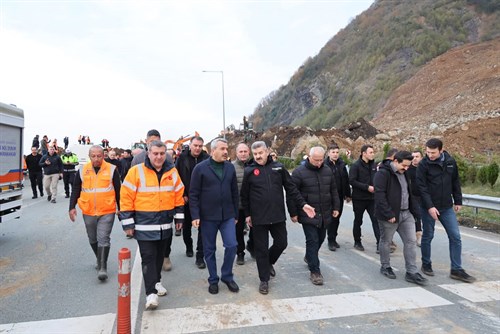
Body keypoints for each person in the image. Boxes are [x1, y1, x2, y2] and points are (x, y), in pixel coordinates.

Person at [241, 141, 315, 295]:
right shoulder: (249, 171)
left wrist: (303, 205)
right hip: (258, 218)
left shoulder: (279, 168)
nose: (258, 156)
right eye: (255, 154)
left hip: (277, 216)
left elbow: (291, 189)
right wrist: (247, 214)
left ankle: (268, 263)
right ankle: (264, 280)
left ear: (267, 151)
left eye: (261, 153)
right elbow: (244, 196)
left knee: (282, 243)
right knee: (261, 250)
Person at [119, 140, 184, 310]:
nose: (159, 157)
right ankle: (150, 294)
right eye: (155, 153)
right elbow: (126, 198)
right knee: (148, 258)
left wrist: (179, 219)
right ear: (148, 153)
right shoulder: (135, 172)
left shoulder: (172, 171)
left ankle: (156, 282)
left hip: (164, 226)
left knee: (158, 257)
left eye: (162, 153)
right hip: (144, 225)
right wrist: (128, 223)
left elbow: (178, 196)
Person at [417, 138, 475, 283]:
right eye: (428, 152)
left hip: (446, 206)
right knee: (428, 236)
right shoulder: (423, 165)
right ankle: (426, 264)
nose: (430, 155)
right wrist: (430, 207)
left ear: (441, 150)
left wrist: (458, 200)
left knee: (455, 237)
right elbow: (422, 188)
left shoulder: (450, 162)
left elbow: (455, 181)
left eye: (433, 152)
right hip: (428, 207)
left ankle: (456, 269)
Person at [189, 138, 240, 294]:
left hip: (227, 216)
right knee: (209, 250)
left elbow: (234, 192)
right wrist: (195, 215)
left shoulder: (230, 168)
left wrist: (235, 214)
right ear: (213, 151)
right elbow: (193, 194)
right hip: (207, 217)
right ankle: (213, 279)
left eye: (227, 148)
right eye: (222, 149)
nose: (226, 152)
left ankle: (227, 275)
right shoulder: (200, 168)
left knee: (232, 246)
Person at [288, 146, 340, 285]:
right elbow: (292, 194)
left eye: (321, 160)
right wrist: (293, 213)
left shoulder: (327, 170)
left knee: (321, 238)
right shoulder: (299, 172)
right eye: (316, 160)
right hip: (308, 214)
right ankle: (315, 271)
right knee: (312, 240)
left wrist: (336, 207)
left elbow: (333, 190)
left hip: (325, 212)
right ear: (309, 157)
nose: (318, 163)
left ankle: (309, 257)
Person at [374, 151, 427, 286]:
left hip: (406, 213)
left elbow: (410, 195)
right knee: (386, 241)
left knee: (411, 241)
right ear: (395, 161)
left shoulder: (406, 173)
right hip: (390, 215)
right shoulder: (383, 173)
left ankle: (411, 272)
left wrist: (416, 215)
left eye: (408, 166)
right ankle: (385, 266)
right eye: (404, 165)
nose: (406, 168)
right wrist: (389, 214)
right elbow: (380, 195)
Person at [69, 145, 121, 281]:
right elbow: (75, 188)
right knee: (92, 238)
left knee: (103, 237)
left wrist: (121, 208)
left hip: (107, 210)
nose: (96, 159)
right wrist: (71, 207)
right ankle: (99, 258)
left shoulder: (111, 169)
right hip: (88, 210)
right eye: (94, 156)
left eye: (99, 156)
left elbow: (118, 190)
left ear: (103, 156)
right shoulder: (82, 170)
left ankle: (102, 267)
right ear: (89, 156)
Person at [131, 129, 175, 270]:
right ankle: (151, 269)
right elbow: (131, 186)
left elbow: (173, 182)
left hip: (164, 206)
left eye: (157, 141)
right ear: (146, 142)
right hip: (145, 209)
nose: (158, 156)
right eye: (151, 142)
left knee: (166, 234)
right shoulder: (137, 159)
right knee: (147, 242)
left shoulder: (167, 158)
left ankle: (165, 256)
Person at [175, 136, 210, 268]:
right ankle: (188, 246)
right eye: (195, 145)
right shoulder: (181, 159)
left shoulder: (207, 159)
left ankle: (200, 255)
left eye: (200, 146)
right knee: (187, 227)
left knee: (203, 228)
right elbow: (177, 178)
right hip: (187, 199)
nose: (197, 148)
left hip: (203, 200)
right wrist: (183, 194)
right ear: (190, 145)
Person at [349, 144, 380, 252]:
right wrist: (367, 187)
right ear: (364, 154)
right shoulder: (355, 166)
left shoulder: (374, 165)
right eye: (370, 152)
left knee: (376, 220)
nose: (373, 154)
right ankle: (357, 242)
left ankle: (379, 244)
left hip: (372, 199)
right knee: (358, 220)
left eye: (373, 152)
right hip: (359, 199)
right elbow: (352, 181)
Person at [324, 144, 351, 251]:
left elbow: (346, 180)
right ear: (328, 153)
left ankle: (334, 238)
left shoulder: (341, 164)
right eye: (333, 152)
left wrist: (348, 195)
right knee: (331, 219)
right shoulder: (325, 165)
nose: (335, 154)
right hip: (328, 196)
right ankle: (330, 240)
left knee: (337, 218)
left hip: (339, 196)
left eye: (337, 152)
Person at [232, 142, 253, 265]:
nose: (243, 154)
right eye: (241, 151)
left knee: (255, 230)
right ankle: (240, 253)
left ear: (249, 152)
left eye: (245, 151)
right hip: (238, 206)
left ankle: (251, 245)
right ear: (236, 153)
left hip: (253, 206)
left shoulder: (255, 165)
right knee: (238, 232)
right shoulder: (231, 167)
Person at [407, 150, 423, 246]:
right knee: (417, 215)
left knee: (422, 216)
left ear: (421, 158)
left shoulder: (424, 168)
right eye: (413, 156)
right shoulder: (407, 169)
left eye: (417, 156)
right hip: (412, 196)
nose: (415, 158)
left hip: (424, 196)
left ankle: (421, 235)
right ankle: (418, 235)